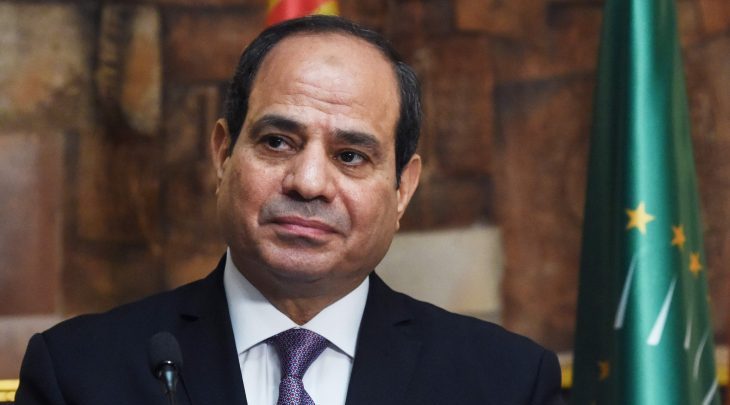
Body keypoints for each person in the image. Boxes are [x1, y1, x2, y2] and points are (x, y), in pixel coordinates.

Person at [15, 16, 563, 405]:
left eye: (350, 156)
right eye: (277, 142)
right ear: (223, 154)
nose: (308, 182)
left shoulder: (506, 383)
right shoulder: (78, 373)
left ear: (402, 188)